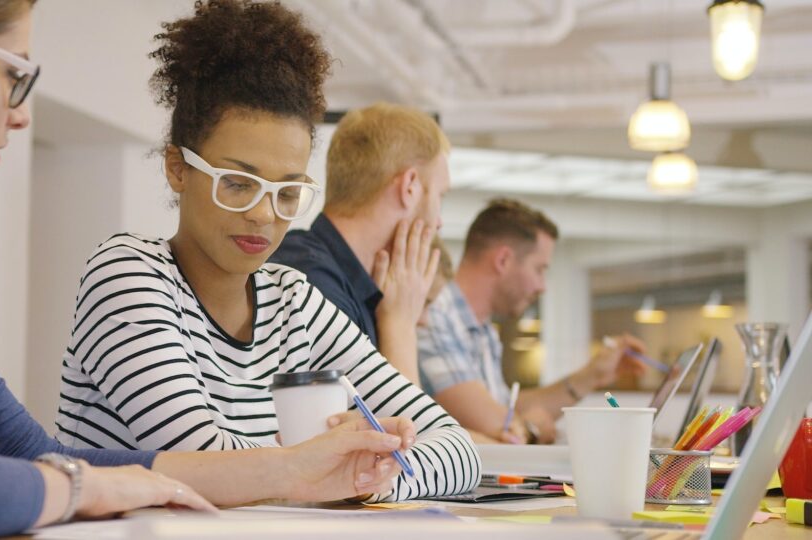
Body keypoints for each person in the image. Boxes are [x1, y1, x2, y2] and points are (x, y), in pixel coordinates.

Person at [0, 2, 415, 538]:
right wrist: (80, 488)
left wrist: (297, 470)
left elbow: (37, 453)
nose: (21, 113)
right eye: (15, 75)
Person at [56, 0, 480, 502]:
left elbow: (459, 449)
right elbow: (201, 459)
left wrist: (366, 477)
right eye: (237, 183)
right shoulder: (128, 274)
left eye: (287, 192)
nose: (264, 215)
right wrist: (328, 463)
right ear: (178, 168)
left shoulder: (292, 299)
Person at [417, 198, 645, 444]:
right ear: (503, 260)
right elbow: (500, 427)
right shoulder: (434, 316)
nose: (542, 286)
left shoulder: (483, 331)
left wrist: (592, 376)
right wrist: (531, 427)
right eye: (539, 269)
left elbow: (504, 408)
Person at [269, 103, 450, 386]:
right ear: (410, 187)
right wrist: (400, 326)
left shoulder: (347, 281)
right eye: (440, 196)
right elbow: (404, 427)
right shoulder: (310, 282)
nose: (438, 221)